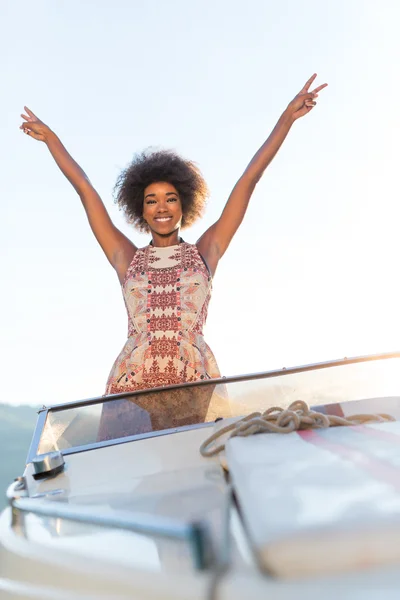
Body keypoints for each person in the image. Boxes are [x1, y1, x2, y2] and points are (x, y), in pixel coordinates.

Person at [20, 74, 327, 401]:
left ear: (184, 204)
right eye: (151, 200)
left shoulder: (207, 251)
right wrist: (52, 140)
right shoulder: (127, 258)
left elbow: (249, 179)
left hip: (193, 382)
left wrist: (286, 121)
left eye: (170, 198)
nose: (161, 207)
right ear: (141, 208)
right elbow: (85, 189)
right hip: (131, 389)